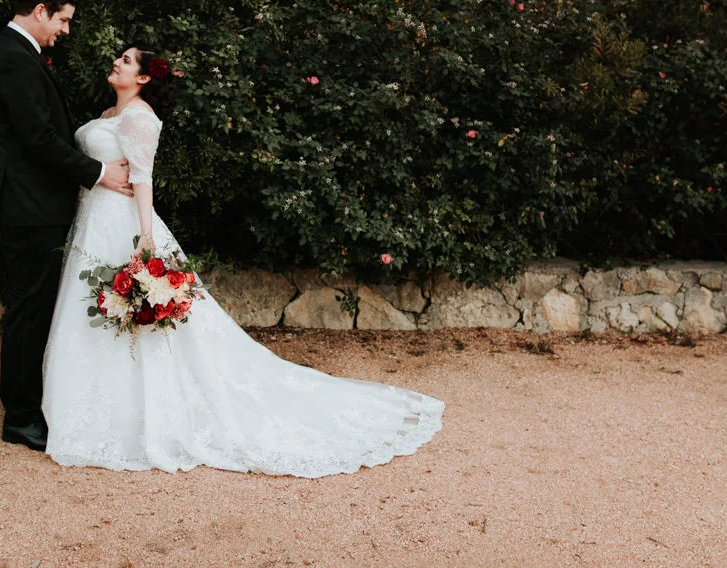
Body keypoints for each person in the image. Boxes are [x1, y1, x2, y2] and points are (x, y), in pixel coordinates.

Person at [41, 45, 444, 476]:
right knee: (93, 313)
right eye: (119, 58)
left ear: (142, 79)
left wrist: (145, 237)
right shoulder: (107, 113)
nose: (116, 62)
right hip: (90, 223)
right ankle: (94, 406)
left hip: (120, 224)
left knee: (137, 316)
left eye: (126, 60)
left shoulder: (140, 117)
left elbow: (143, 177)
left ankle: (135, 414)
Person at [0, 0, 131, 452]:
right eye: (63, 20)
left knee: (35, 306)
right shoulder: (13, 59)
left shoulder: (14, 53)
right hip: (26, 208)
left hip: (30, 204)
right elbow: (37, 139)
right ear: (41, 10)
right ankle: (20, 417)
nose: (65, 30)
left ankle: (29, 406)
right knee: (29, 309)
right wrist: (99, 171)